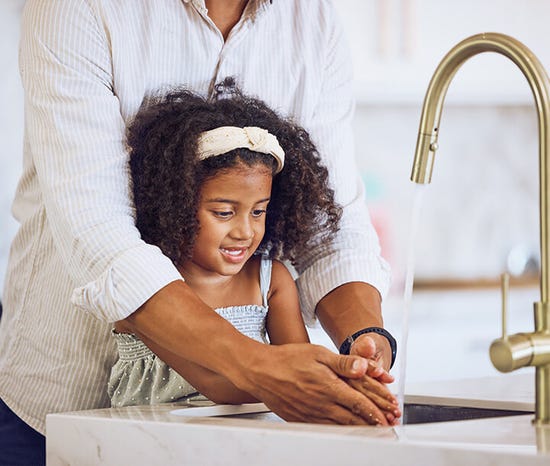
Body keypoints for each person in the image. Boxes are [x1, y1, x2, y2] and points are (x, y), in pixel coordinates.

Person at [0, 1, 396, 463]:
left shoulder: (314, 20)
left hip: (229, 441)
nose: (243, 230)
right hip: (54, 405)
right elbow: (101, 237)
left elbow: (333, 229)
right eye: (225, 211)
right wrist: (261, 367)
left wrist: (363, 342)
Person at [107, 86, 399, 425]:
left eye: (258, 212)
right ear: (173, 206)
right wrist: (325, 383)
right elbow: (218, 383)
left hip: (248, 448)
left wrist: (352, 370)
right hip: (146, 446)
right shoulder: (147, 287)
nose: (245, 231)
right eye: (224, 213)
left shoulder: (271, 281)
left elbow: (298, 362)